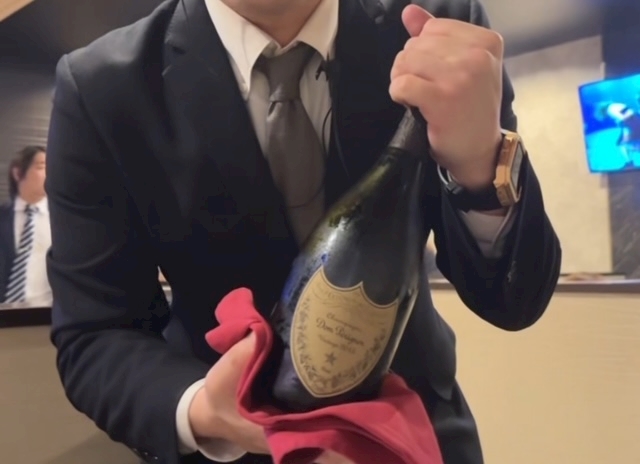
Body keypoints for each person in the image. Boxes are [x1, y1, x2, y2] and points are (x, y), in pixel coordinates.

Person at [45, 0, 561, 463]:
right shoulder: (102, 87)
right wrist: (205, 409)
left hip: (416, 438)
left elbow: (511, 299)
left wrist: (478, 163)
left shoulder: (436, 31)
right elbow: (96, 333)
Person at [0, 146, 51, 306]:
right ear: (18, 173)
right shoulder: (2, 217)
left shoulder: (61, 221)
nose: (49, 173)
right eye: (41, 167)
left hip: (46, 314)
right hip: (5, 314)